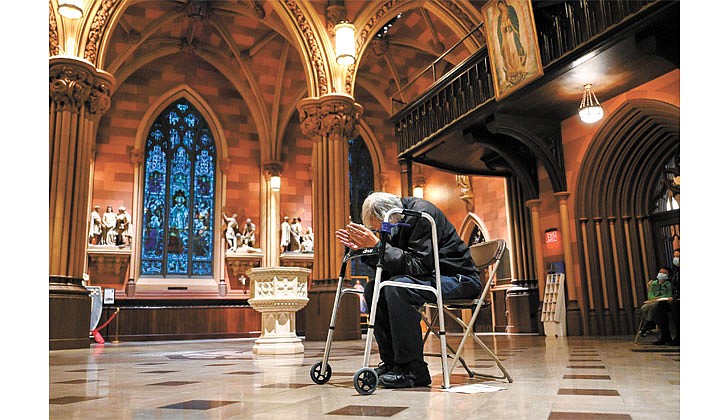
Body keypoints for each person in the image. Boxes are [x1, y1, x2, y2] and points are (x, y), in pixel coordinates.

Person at [335, 192, 481, 389]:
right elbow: (392, 264)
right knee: (373, 289)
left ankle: (414, 370)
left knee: (399, 287)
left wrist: (379, 246)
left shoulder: (421, 214)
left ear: (388, 215)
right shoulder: (395, 219)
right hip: (431, 277)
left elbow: (419, 265)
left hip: (458, 279)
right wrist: (364, 249)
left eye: (379, 226)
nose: (380, 231)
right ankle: (393, 364)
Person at [496, 0, 527, 88]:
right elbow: (499, 31)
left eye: (502, 5)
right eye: (500, 7)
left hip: (511, 35)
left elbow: (515, 21)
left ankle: (518, 68)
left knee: (514, 50)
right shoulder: (500, 17)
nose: (501, 7)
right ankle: (511, 71)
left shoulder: (510, 10)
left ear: (504, 4)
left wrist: (510, 23)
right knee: (508, 53)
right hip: (505, 37)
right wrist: (502, 29)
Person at [653, 249, 680, 345]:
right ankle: (665, 336)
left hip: (678, 299)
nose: (676, 259)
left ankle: (679, 337)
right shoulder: (676, 272)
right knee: (661, 306)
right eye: (675, 257)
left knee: (675, 306)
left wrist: (675, 296)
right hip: (675, 297)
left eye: (678, 257)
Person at [639, 267, 673, 336]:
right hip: (653, 300)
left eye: (664, 273)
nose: (661, 274)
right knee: (643, 308)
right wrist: (654, 298)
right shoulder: (654, 283)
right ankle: (651, 323)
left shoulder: (668, 284)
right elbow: (650, 294)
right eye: (660, 272)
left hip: (663, 302)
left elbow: (669, 294)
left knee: (652, 307)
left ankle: (648, 325)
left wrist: (660, 297)